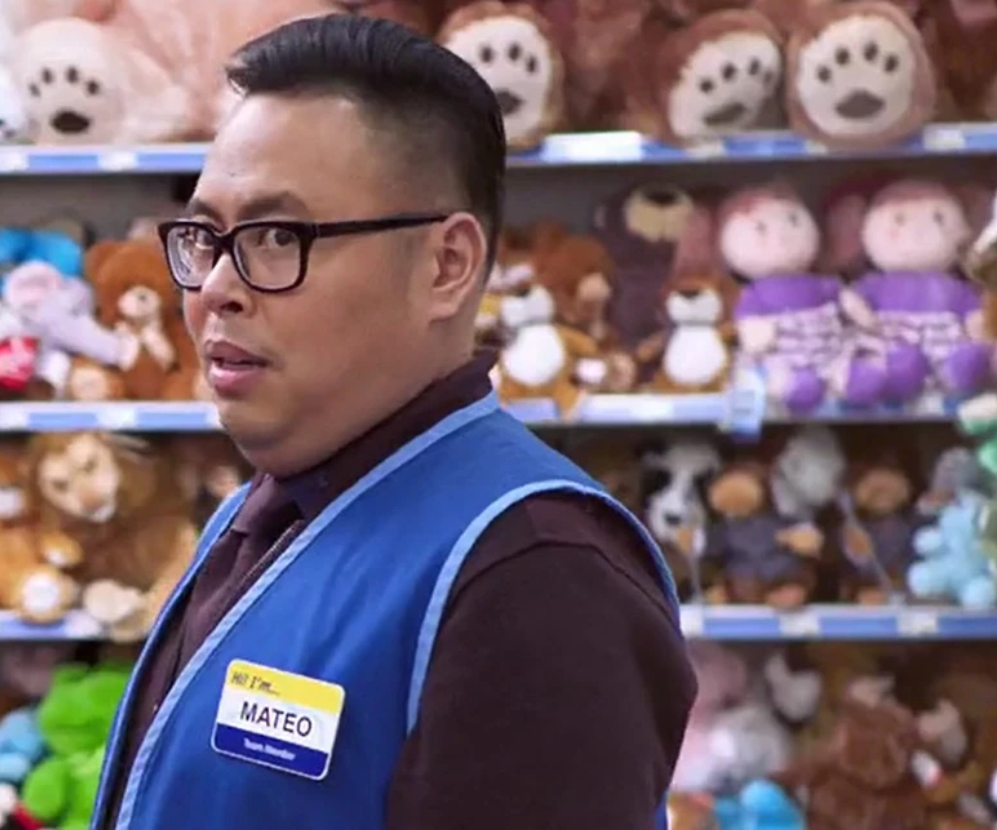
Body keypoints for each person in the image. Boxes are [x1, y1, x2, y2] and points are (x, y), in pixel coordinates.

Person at [90, 14, 696, 830]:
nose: (214, 290)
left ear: (446, 266)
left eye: (277, 237)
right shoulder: (262, 514)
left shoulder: (533, 574)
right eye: (205, 238)